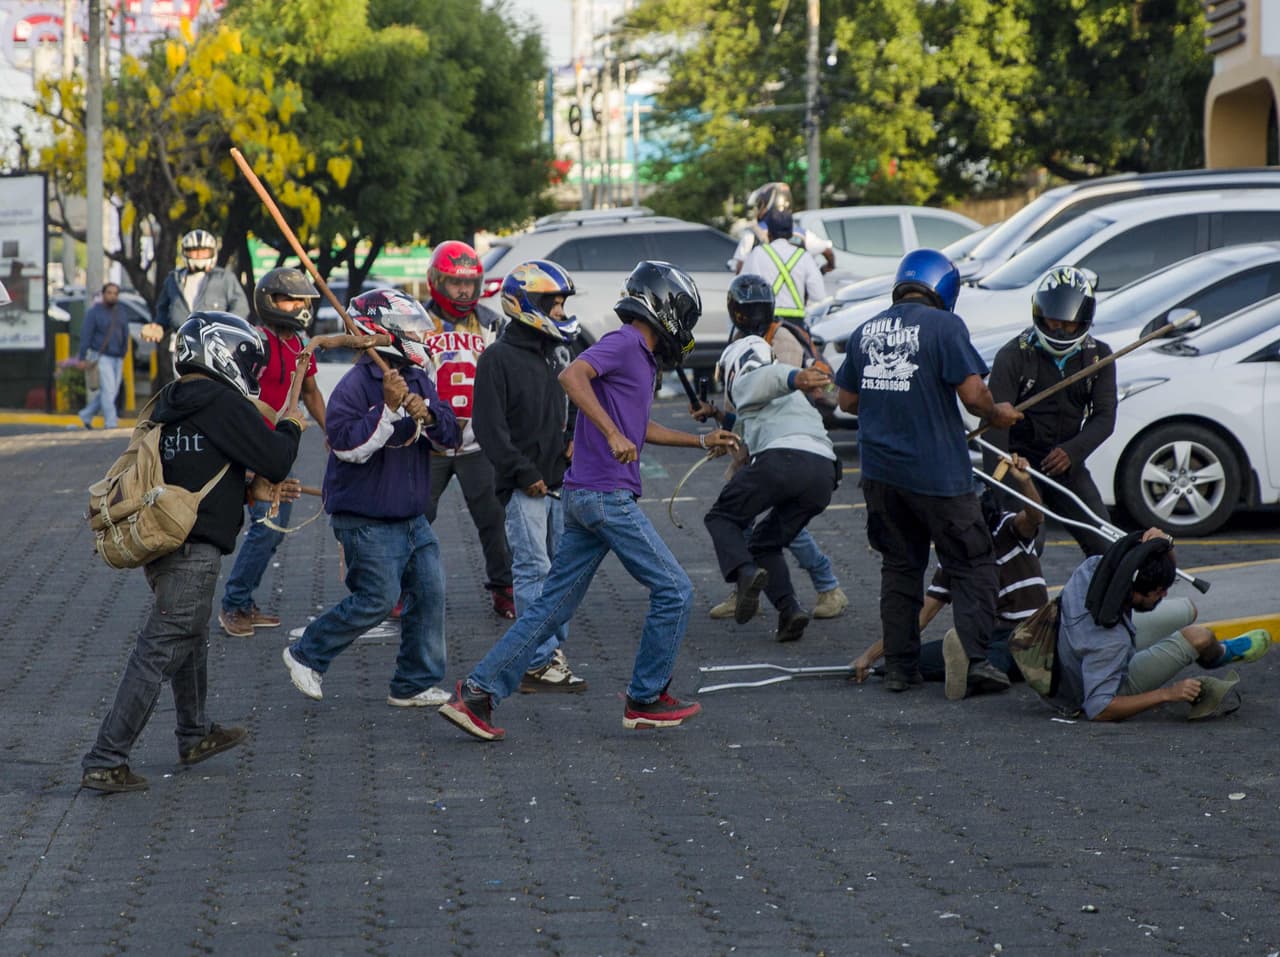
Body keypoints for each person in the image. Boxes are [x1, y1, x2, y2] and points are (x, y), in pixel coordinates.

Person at [438, 260, 739, 741]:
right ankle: (644, 698)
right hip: (603, 498)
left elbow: (639, 430)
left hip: (583, 497)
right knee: (676, 591)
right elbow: (572, 378)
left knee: (548, 609)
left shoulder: (640, 357)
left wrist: (701, 442)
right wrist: (611, 431)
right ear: (662, 306)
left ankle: (476, 695)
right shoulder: (623, 342)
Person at [80, 312, 305, 793]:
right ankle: (106, 758)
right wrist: (290, 424)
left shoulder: (172, 401)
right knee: (160, 647)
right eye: (247, 360)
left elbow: (199, 464)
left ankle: (195, 732)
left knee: (190, 634)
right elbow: (276, 457)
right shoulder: (223, 402)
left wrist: (248, 490)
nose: (251, 371)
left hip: (164, 539)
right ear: (223, 353)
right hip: (193, 546)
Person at [834, 248, 1022, 699]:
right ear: (944, 289)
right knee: (972, 562)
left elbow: (846, 401)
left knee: (900, 569)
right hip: (938, 475)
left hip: (881, 476)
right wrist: (997, 415)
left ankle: (900, 668)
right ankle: (975, 661)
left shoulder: (865, 330)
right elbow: (975, 395)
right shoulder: (945, 326)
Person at [281, 289, 459, 707]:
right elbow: (345, 446)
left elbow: (449, 435)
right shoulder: (356, 385)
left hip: (412, 517)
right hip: (366, 519)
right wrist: (390, 410)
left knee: (430, 593)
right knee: (377, 599)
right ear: (381, 333)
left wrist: (428, 414)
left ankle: (414, 681)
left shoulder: (417, 378)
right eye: (410, 329)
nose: (420, 335)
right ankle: (307, 654)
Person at [472, 260, 588, 692]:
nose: (559, 311)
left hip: (560, 481)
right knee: (533, 568)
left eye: (561, 304)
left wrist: (574, 437)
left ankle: (551, 649)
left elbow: (578, 400)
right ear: (526, 303)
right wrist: (523, 473)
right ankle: (537, 660)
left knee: (561, 569)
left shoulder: (559, 352)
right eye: (551, 303)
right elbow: (489, 429)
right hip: (525, 487)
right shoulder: (497, 359)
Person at [702, 275, 846, 621]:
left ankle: (812, 584)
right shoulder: (751, 344)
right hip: (821, 467)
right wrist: (719, 420)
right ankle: (789, 611)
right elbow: (751, 411)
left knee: (725, 518)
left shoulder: (759, 350)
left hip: (783, 457)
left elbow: (762, 380)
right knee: (765, 537)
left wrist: (794, 377)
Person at [851, 455, 1047, 685]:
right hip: (987, 635)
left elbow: (1035, 516)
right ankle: (966, 669)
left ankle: (974, 672)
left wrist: (1025, 482)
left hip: (1030, 633)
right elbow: (922, 616)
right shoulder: (954, 549)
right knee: (913, 659)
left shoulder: (1008, 528)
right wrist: (871, 657)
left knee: (1000, 656)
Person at [1048, 528, 1272, 721]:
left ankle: (1200, 652)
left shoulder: (1094, 568)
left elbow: (1143, 562)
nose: (1164, 594)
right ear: (1134, 591)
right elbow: (1098, 709)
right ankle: (1221, 654)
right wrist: (1167, 694)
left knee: (1187, 609)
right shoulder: (1110, 643)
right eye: (1157, 592)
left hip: (1082, 644)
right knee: (1198, 637)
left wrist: (1164, 542)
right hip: (1093, 683)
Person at [217, 268, 328, 638]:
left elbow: (310, 392)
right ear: (269, 301)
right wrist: (246, 465)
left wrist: (335, 433)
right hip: (250, 451)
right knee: (264, 528)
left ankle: (244, 601)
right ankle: (233, 605)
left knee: (275, 528)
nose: (298, 307)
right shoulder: (254, 343)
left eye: (302, 300)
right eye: (290, 299)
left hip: (281, 450)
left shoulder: (300, 344)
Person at [985, 266, 1116, 556]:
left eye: (1069, 325)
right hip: (1020, 468)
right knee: (1028, 545)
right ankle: (1021, 601)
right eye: (1053, 321)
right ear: (1038, 313)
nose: (1059, 330)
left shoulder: (1099, 357)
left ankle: (1096, 602)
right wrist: (999, 484)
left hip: (1067, 464)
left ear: (1084, 321)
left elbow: (1105, 418)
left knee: (1106, 546)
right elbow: (994, 427)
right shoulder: (1012, 356)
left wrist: (1073, 452)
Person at [418, 240, 517, 619]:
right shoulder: (416, 322)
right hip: (428, 442)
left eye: (470, 284)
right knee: (414, 517)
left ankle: (504, 587)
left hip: (478, 442)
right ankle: (401, 587)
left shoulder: (494, 321)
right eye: (455, 283)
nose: (463, 291)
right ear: (435, 282)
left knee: (494, 520)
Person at [143, 230, 250, 389]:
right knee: (185, 388)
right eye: (194, 250)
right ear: (185, 252)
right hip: (182, 344)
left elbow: (241, 308)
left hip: (215, 346)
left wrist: (226, 332)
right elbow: (164, 310)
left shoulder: (224, 278)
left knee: (213, 388)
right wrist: (158, 325)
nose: (199, 255)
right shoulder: (174, 278)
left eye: (203, 250)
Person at [739, 207, 826, 322]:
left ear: (769, 231)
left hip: (764, 324)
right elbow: (819, 296)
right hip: (795, 324)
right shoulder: (804, 256)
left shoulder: (757, 254)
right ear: (791, 232)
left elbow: (742, 289)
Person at [730, 182, 836, 276]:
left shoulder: (752, 235)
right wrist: (825, 268)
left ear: (768, 204)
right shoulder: (803, 236)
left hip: (763, 296)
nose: (757, 208)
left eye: (760, 204)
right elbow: (828, 251)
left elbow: (740, 273)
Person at [76, 282, 130, 430]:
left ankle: (86, 415)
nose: (112, 296)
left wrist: (124, 351)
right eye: (109, 293)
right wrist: (81, 357)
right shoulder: (94, 312)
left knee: (111, 391)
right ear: (103, 294)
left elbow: (125, 332)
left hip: (118, 357)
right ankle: (111, 423)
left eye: (115, 293)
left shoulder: (121, 312)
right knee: (109, 390)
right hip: (101, 356)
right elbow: (86, 335)